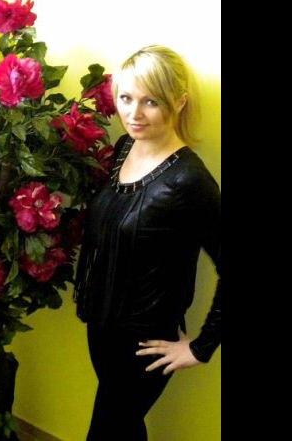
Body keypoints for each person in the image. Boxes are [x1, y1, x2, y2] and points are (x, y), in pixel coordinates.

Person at [73, 45, 221, 440]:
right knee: (125, 429)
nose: (134, 113)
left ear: (179, 102)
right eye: (126, 98)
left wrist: (200, 348)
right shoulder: (125, 147)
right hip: (102, 330)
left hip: (145, 346)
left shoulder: (190, 181)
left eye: (151, 101)